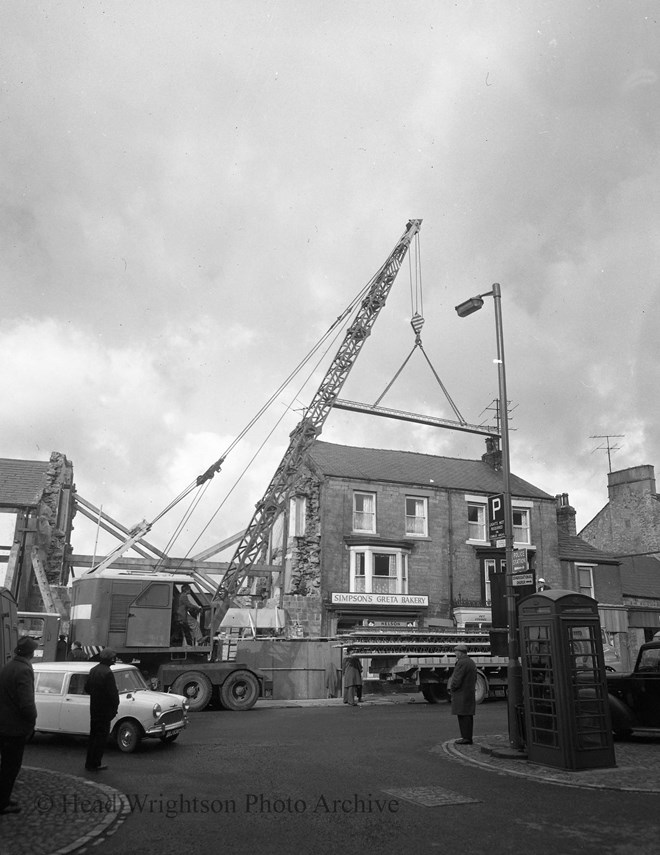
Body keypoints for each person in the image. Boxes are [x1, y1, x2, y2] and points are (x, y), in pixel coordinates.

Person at [0, 636, 38, 814]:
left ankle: (3, 799)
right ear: (31, 653)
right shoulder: (24, 670)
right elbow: (27, 703)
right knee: (11, 766)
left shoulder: (8, 667)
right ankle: (3, 802)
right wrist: (32, 721)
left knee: (5, 765)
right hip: (14, 728)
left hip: (3, 724)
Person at [84, 648, 119, 772]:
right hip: (104, 710)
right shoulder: (108, 673)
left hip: (94, 708)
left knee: (93, 736)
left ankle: (89, 763)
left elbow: (87, 688)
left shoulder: (93, 670)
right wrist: (114, 708)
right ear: (110, 659)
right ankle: (96, 763)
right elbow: (113, 694)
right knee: (101, 738)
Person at [447, 643, 477, 745]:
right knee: (468, 716)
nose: (455, 654)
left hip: (461, 693)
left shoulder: (461, 663)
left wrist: (452, 688)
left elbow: (457, 679)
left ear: (460, 653)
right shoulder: (470, 662)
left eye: (456, 652)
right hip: (469, 692)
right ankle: (468, 737)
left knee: (463, 716)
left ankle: (466, 738)